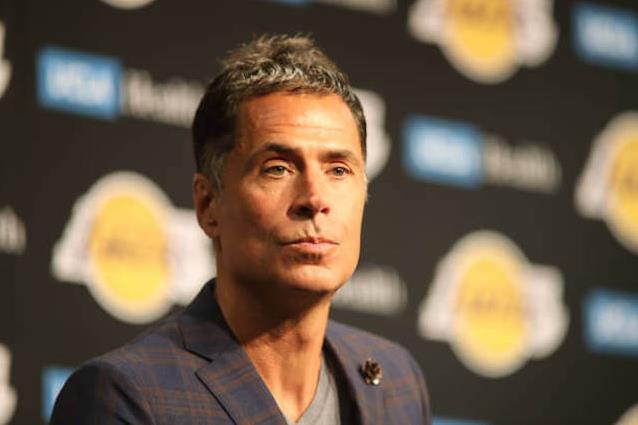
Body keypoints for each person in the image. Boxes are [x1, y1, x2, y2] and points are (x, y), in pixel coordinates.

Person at [51, 34, 431, 425]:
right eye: (277, 169)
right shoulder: (127, 395)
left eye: (338, 170)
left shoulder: (396, 381)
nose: (315, 198)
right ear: (208, 204)